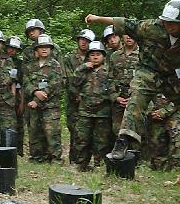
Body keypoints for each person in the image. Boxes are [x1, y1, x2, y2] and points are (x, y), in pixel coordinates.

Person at [85, 0, 180, 163]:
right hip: (148, 70)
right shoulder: (150, 27)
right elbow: (123, 22)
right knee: (136, 98)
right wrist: (97, 18)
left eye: (173, 23)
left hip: (173, 75)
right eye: (166, 21)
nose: (168, 26)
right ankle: (123, 140)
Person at [72, 41, 113, 171]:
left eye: (98, 54)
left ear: (103, 57)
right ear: (88, 56)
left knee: (101, 140)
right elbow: (74, 82)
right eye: (92, 55)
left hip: (103, 112)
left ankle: (99, 164)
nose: (95, 57)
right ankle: (81, 164)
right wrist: (82, 67)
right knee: (82, 138)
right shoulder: (83, 71)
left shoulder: (108, 71)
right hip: (85, 111)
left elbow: (114, 88)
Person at [23, 34, 64, 163]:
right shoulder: (30, 66)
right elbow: (25, 82)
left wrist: (38, 99)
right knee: (35, 131)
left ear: (51, 49)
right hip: (33, 106)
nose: (44, 49)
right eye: (41, 47)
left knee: (52, 132)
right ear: (36, 50)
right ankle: (37, 157)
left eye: (47, 47)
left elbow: (55, 85)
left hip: (50, 106)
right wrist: (35, 91)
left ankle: (55, 158)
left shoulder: (55, 65)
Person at [65, 28, 96, 163]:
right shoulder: (69, 58)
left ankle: (87, 160)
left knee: (90, 131)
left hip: (91, 100)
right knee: (74, 129)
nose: (83, 43)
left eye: (87, 41)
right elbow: (68, 78)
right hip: (74, 100)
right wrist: (75, 94)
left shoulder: (95, 56)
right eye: (81, 40)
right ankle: (74, 160)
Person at [108, 34, 140, 140]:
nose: (129, 37)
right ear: (122, 37)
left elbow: (148, 79)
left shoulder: (143, 55)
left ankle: (137, 156)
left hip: (138, 101)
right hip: (119, 101)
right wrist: (115, 97)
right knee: (118, 133)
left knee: (137, 133)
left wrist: (135, 98)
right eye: (126, 35)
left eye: (132, 34)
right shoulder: (115, 56)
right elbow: (109, 79)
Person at [145, 91, 180, 170]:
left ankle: (177, 168)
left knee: (177, 140)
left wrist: (164, 111)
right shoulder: (149, 80)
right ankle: (158, 169)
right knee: (157, 143)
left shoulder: (176, 79)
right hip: (154, 114)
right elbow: (142, 96)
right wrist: (151, 112)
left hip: (173, 113)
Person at [6, 36, 26, 155]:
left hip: (18, 94)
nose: (11, 51)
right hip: (2, 94)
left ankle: (19, 151)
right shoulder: (0, 61)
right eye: (9, 48)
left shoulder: (21, 64)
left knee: (19, 123)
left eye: (14, 49)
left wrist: (22, 102)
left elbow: (23, 84)